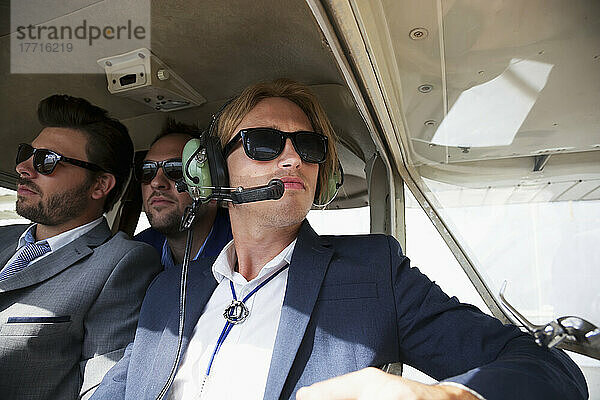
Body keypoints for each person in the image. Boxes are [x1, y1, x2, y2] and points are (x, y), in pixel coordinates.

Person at [91, 80, 588, 400]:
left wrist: (441, 397)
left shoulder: (373, 273)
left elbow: (551, 371)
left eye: (307, 147)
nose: (292, 160)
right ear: (213, 169)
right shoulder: (167, 292)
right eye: (265, 143)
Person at [0, 94, 162, 400]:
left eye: (46, 161)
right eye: (27, 153)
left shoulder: (122, 262)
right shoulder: (3, 237)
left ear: (99, 185)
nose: (23, 167)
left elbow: (101, 389)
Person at [134, 119, 232, 269]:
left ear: (212, 183)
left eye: (176, 169)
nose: (156, 182)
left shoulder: (244, 250)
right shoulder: (136, 254)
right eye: (148, 171)